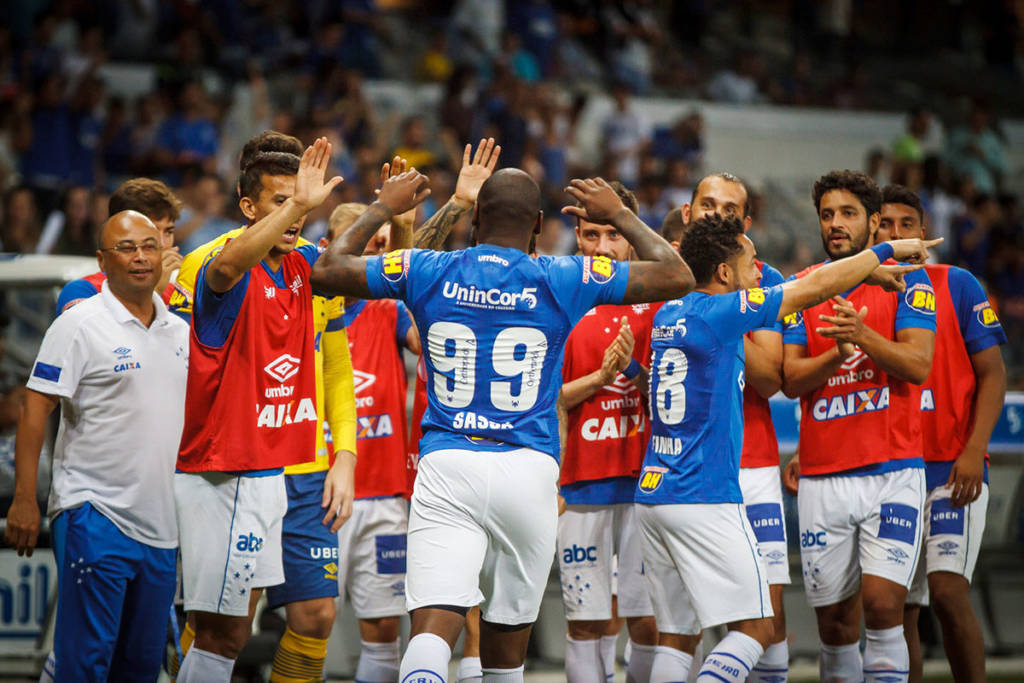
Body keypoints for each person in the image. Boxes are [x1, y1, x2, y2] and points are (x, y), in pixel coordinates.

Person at [311, 172, 694, 682]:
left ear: (475, 217)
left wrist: (383, 207)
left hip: (448, 463)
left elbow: (326, 271)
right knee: (505, 655)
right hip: (528, 471)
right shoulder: (563, 275)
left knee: (432, 631)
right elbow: (678, 275)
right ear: (539, 224)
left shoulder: (426, 266)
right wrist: (619, 214)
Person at [637, 212, 937, 682]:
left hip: (653, 494)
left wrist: (863, 271)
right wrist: (882, 252)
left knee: (675, 637)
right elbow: (811, 290)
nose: (760, 274)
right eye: (751, 263)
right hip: (702, 494)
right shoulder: (722, 313)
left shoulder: (668, 314)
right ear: (724, 273)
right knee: (759, 628)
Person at [165, 132, 359, 683]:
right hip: (223, 469)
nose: (296, 213)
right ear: (248, 205)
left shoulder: (302, 265)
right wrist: (299, 205)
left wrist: (398, 213)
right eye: (281, 201)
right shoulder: (214, 261)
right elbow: (226, 271)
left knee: (263, 624)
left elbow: (364, 279)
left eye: (300, 200)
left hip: (278, 468)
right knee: (220, 629)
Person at [4, 211, 189, 680]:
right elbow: (34, 407)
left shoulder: (180, 332)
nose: (141, 256)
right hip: (94, 513)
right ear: (103, 261)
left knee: (141, 667)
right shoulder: (80, 324)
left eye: (149, 245)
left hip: (162, 528)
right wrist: (25, 498)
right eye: (126, 248)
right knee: (85, 663)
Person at [781, 171, 938, 683]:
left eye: (847, 213)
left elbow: (918, 365)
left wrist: (862, 334)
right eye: (827, 214)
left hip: (892, 472)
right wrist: (836, 354)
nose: (835, 223)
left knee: (884, 606)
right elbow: (790, 380)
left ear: (874, 222)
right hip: (823, 477)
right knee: (835, 625)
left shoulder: (909, 280)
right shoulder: (802, 289)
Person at [878, 185, 1007, 683]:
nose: (896, 234)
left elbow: (993, 375)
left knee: (949, 593)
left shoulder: (958, 283)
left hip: (954, 468)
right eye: (885, 225)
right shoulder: (863, 290)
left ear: (924, 231)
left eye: (906, 224)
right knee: (900, 608)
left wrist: (975, 451)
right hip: (893, 473)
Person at [679, 173, 792, 681]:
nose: (717, 215)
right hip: (682, 468)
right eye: (708, 205)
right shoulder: (660, 271)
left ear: (745, 224)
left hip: (753, 461)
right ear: (688, 213)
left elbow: (769, 379)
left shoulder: (764, 278)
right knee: (680, 625)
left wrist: (712, 310)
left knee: (768, 616)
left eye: (730, 210)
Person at [558, 180, 658, 683]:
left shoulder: (659, 302)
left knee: (648, 620)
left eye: (613, 234)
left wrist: (634, 371)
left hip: (647, 486)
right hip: (580, 486)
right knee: (584, 622)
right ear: (577, 236)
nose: (601, 246)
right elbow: (547, 399)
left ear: (631, 234)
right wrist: (599, 378)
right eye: (591, 234)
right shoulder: (560, 300)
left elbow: (679, 397)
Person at [327, 201, 420, 683]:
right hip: (318, 494)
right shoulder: (306, 309)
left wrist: (407, 237)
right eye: (362, 243)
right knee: (311, 620)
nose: (372, 255)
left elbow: (426, 340)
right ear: (330, 247)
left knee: (384, 626)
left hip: (384, 495)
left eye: (381, 245)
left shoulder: (389, 309)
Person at [56, 178, 183, 314]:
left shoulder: (178, 295)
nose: (162, 244)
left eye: (168, 232)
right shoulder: (82, 290)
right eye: (152, 232)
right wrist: (153, 292)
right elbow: (98, 328)